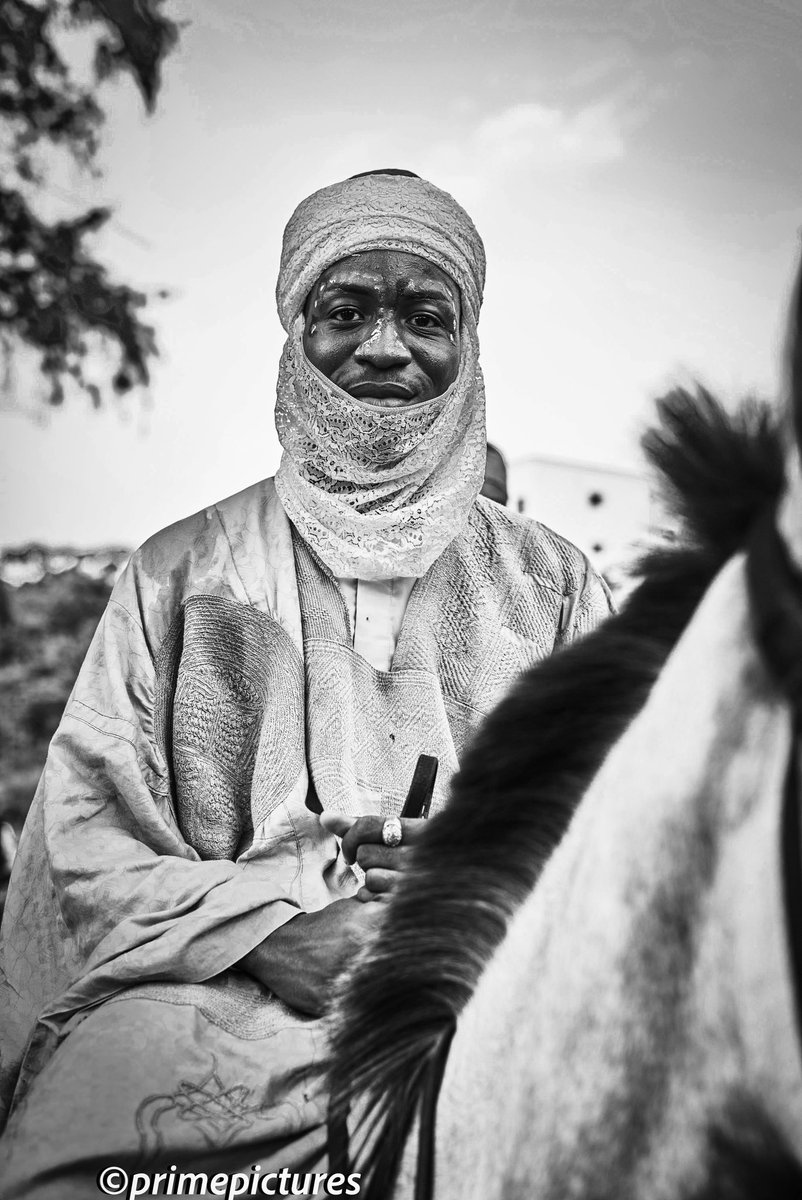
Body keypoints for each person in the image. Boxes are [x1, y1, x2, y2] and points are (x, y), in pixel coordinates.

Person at [0, 169, 613, 1192]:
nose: (385, 347)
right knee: (77, 1139)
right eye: (346, 311)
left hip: (496, 982)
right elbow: (83, 844)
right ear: (295, 329)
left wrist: (480, 875)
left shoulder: (554, 582)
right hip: (220, 998)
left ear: (467, 346)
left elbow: (619, 824)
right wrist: (268, 930)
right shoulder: (178, 572)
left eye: (425, 315)